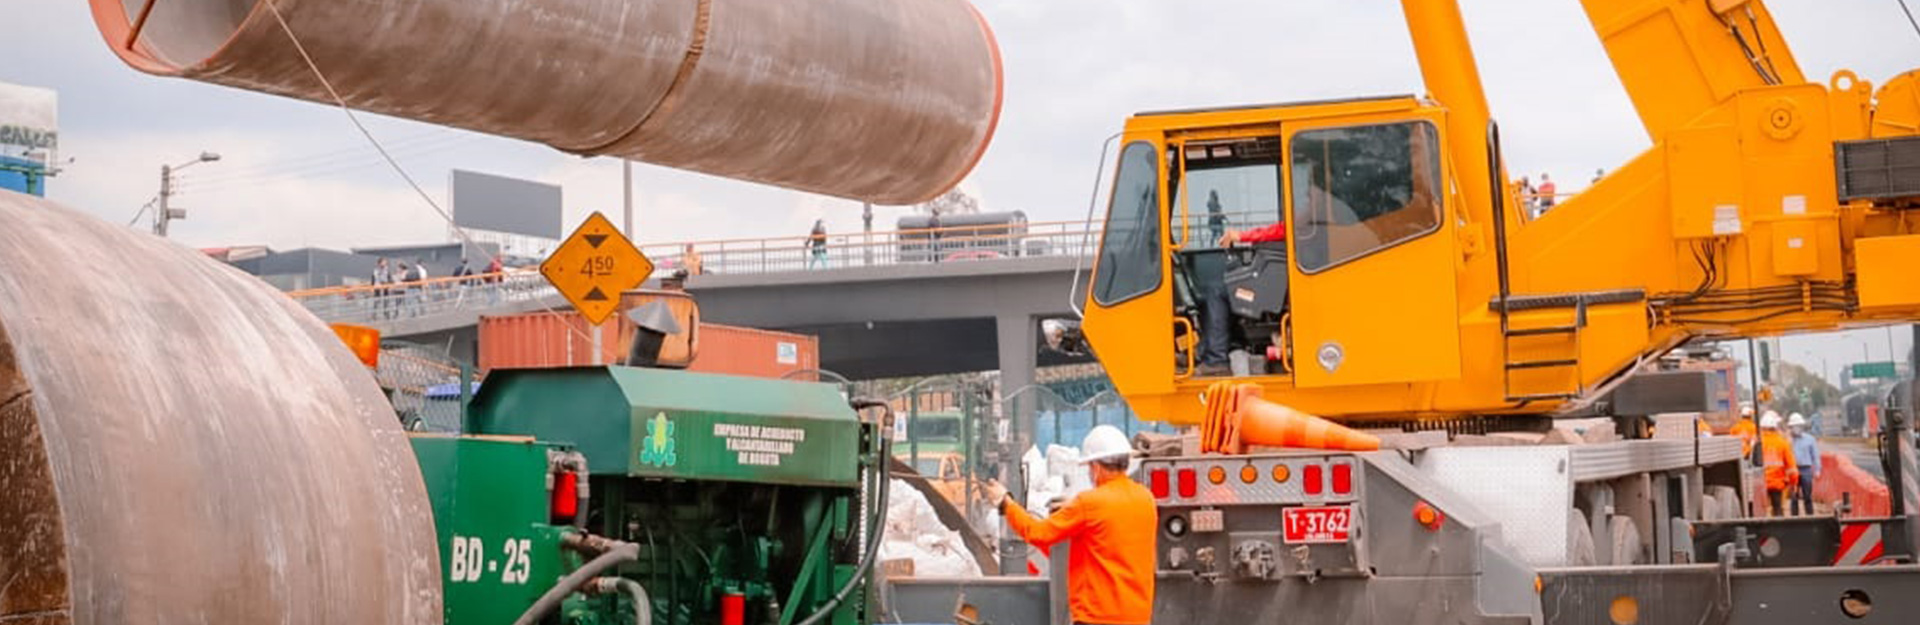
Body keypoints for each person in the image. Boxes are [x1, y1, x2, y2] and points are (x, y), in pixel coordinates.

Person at [985, 426, 1156, 625]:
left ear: (1096, 467)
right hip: (1138, 617)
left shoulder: (1089, 504)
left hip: (1098, 617)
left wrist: (1006, 504)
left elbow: (1038, 533)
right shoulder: (1146, 499)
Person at [1758, 411, 1799, 517]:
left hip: (1759, 483)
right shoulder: (1782, 443)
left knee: (1760, 511)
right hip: (1777, 483)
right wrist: (1793, 482)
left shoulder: (1757, 442)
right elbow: (1791, 467)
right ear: (1775, 427)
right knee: (1777, 509)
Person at [1789, 413, 1820, 515]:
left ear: (1802, 426)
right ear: (1791, 427)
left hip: (1806, 470)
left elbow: (1815, 456)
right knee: (1794, 497)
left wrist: (1817, 470)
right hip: (1793, 470)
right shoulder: (1787, 440)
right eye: (1794, 426)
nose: (1796, 428)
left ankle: (1810, 516)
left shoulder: (1810, 439)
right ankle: (1794, 519)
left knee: (1807, 496)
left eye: (1798, 426)